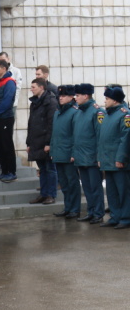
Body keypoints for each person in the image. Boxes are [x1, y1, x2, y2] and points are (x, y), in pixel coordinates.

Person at [96, 86, 130, 229]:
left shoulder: (124, 115)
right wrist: (100, 157)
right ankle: (115, 216)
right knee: (111, 191)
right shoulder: (108, 115)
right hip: (107, 160)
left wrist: (121, 158)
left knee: (123, 191)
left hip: (118, 162)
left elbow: (125, 139)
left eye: (107, 98)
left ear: (115, 100)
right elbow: (102, 139)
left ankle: (126, 217)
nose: (105, 101)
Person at [71, 83, 105, 224]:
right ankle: (91, 212)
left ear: (86, 96)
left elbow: (100, 136)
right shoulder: (79, 112)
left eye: (78, 95)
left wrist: (99, 157)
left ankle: (98, 213)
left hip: (92, 157)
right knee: (86, 187)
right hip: (81, 156)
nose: (75, 97)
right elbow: (75, 136)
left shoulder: (97, 112)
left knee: (95, 187)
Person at [50, 85, 82, 219]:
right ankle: (68, 207)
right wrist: (52, 150)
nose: (60, 98)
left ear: (71, 97)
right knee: (64, 183)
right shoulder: (57, 112)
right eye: (59, 96)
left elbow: (76, 135)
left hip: (69, 155)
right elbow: (54, 134)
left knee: (72, 183)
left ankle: (75, 209)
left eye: (63, 96)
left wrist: (74, 153)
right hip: (58, 153)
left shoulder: (75, 112)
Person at [25, 79, 58, 205]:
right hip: (36, 141)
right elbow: (31, 123)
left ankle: (51, 194)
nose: (31, 89)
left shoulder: (50, 102)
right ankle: (43, 194)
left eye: (33, 87)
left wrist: (48, 143)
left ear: (41, 87)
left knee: (50, 169)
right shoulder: (35, 102)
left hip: (45, 142)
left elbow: (51, 124)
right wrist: (29, 143)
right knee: (42, 169)